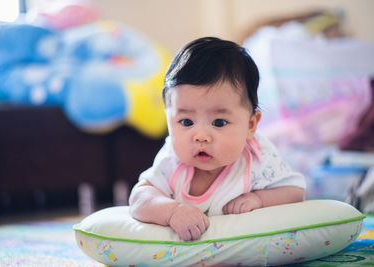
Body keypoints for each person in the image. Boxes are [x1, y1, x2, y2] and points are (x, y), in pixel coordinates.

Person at [129, 37, 305, 241]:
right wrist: (172, 211)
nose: (201, 136)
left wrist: (258, 199)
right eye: (186, 122)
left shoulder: (257, 157)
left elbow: (295, 192)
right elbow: (139, 198)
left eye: (219, 122)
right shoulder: (171, 160)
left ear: (250, 125)